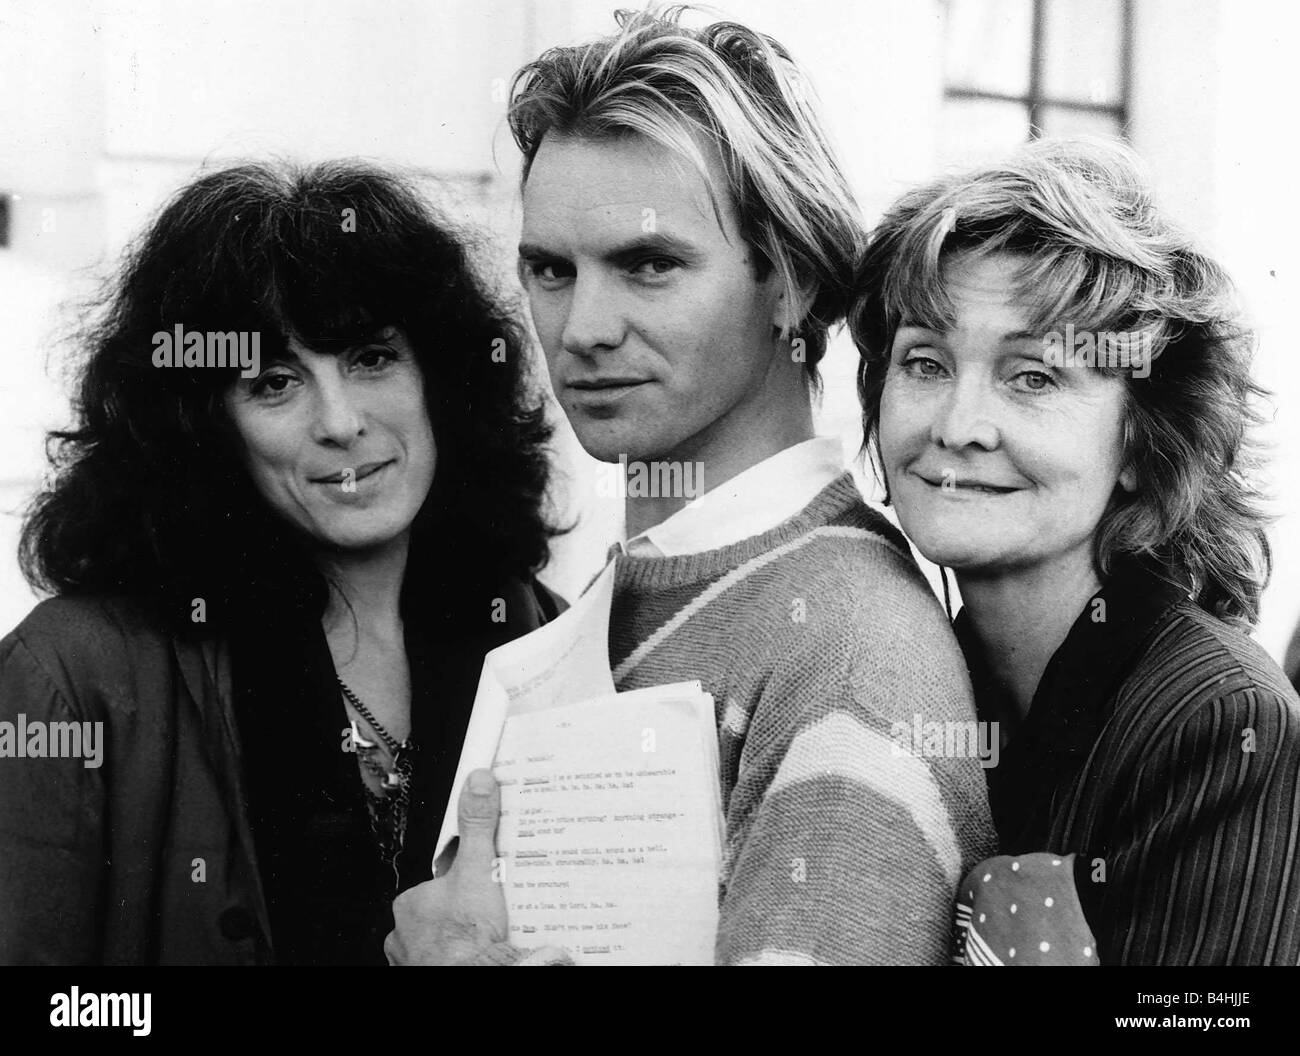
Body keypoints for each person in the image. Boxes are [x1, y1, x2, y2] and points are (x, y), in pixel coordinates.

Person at [386, 7, 996, 967]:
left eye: (648, 265)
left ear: (790, 279)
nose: (583, 326)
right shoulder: (652, 580)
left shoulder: (846, 653)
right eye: (550, 269)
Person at [0, 161, 562, 965]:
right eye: (273, 382)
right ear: (204, 425)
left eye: (371, 358)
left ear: (442, 376)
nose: (340, 422)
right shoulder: (71, 679)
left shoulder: (541, 639)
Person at [849, 137, 1300, 965]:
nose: (958, 425)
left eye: (1033, 378)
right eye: (925, 362)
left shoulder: (1217, 721)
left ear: (1142, 442)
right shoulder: (919, 671)